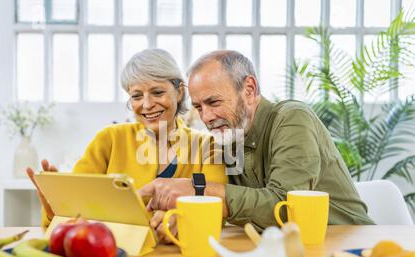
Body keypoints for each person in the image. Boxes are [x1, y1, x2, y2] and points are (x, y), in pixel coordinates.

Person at [139, 50, 375, 231]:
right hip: (286, 250)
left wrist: (197, 190)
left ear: (249, 90)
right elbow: (221, 203)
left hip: (349, 242)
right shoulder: (226, 139)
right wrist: (182, 215)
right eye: (199, 107)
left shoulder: (292, 118)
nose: (206, 117)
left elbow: (286, 207)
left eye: (214, 102)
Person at [27, 49, 227, 242]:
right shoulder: (109, 139)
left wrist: (182, 220)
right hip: (115, 255)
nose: (147, 105)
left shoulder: (206, 146)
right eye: (137, 96)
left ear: (180, 92)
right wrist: (54, 203)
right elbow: (75, 216)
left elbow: (219, 211)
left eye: (157, 92)